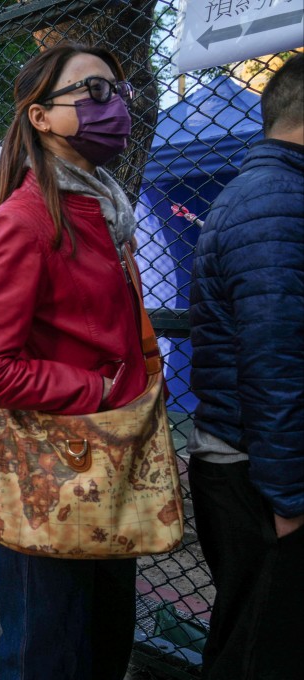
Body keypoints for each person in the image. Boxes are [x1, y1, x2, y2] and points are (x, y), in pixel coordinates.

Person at [0, 45, 145, 680]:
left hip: (107, 462)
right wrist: (96, 386)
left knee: (102, 646)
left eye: (117, 91)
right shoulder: (26, 221)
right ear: (40, 116)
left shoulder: (102, 207)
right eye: (92, 93)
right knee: (48, 655)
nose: (112, 105)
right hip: (52, 470)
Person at [188, 52, 304, 680]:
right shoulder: (278, 200)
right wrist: (288, 499)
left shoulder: (261, 192)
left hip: (247, 463)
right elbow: (275, 357)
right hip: (259, 474)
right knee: (261, 652)